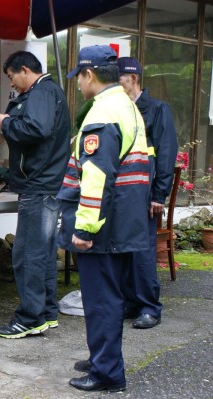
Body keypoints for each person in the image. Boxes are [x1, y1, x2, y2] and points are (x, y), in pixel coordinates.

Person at [60, 45, 150, 392]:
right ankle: (102, 357)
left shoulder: (103, 113)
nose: (78, 85)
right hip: (123, 218)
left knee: (101, 300)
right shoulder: (125, 105)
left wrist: (84, 227)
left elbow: (96, 177)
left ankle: (107, 373)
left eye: (79, 78)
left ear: (89, 75)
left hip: (104, 225)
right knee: (110, 296)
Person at [0, 51, 71, 339]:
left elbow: (36, 128)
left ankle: (30, 318)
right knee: (44, 253)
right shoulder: (51, 92)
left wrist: (6, 123)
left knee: (28, 255)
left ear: (25, 70)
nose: (12, 84)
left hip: (39, 186)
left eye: (12, 77)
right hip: (48, 184)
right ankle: (47, 312)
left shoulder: (41, 92)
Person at [117, 57, 179, 329]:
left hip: (145, 193)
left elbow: (166, 154)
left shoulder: (156, 109)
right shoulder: (116, 109)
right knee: (123, 250)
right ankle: (130, 302)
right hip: (121, 193)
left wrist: (159, 195)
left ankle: (149, 307)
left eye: (116, 78)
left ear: (132, 78)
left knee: (142, 251)